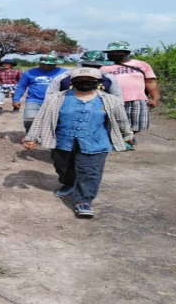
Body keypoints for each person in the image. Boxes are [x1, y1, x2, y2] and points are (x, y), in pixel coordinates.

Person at [22, 68, 133, 218]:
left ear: (98, 82)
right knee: (64, 168)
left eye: (90, 80)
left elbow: (121, 120)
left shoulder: (110, 100)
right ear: (72, 82)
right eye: (80, 80)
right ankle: (69, 183)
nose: (84, 83)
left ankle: (84, 201)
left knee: (90, 172)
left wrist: (127, 136)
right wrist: (32, 137)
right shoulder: (57, 98)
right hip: (62, 141)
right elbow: (42, 117)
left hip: (96, 143)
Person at [100, 41, 160, 147]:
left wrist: (155, 97)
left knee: (138, 124)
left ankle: (127, 138)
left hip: (137, 99)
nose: (114, 54)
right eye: (111, 52)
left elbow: (150, 82)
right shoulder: (102, 66)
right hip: (112, 100)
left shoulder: (141, 65)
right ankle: (122, 141)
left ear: (126, 52)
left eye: (118, 52)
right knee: (113, 123)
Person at [12, 55, 68, 132]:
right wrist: (16, 99)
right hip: (34, 100)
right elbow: (21, 86)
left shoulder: (64, 73)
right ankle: (30, 136)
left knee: (54, 123)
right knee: (29, 121)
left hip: (55, 101)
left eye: (49, 65)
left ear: (55, 64)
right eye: (43, 64)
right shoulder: (29, 73)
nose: (45, 66)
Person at [46, 59, 123, 101]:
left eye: (95, 66)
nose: (90, 69)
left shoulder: (109, 78)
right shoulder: (63, 78)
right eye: (86, 65)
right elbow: (50, 97)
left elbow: (117, 97)